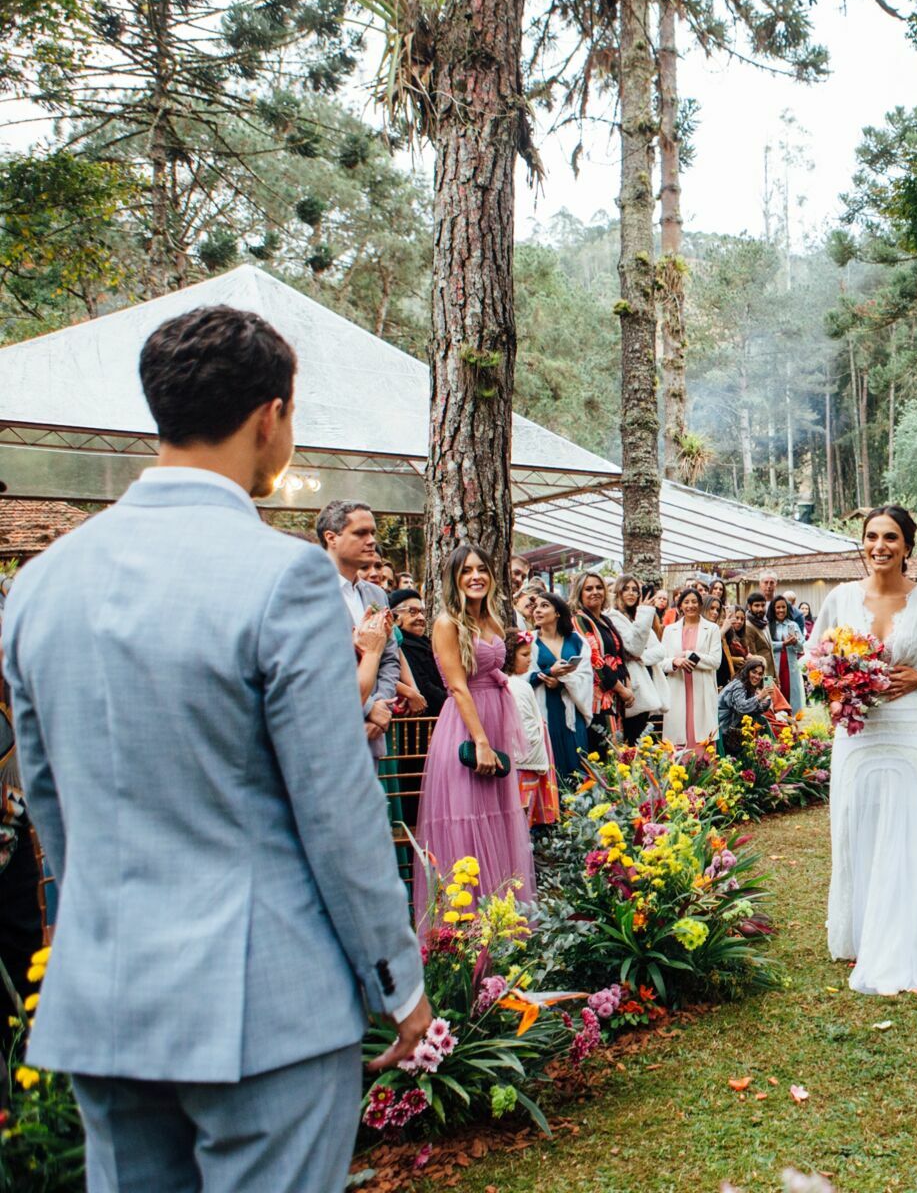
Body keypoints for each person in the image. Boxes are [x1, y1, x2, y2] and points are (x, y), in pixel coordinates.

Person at [1, 304, 429, 1191]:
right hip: (263, 1000)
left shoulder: (39, 586)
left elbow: (53, 804)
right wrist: (399, 981)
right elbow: (336, 802)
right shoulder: (285, 576)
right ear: (271, 416)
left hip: (109, 989)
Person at [815, 506, 917, 997]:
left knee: (908, 819)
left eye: (890, 538)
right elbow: (814, 662)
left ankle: (909, 928)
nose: (878, 546)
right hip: (856, 730)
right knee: (857, 817)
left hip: (907, 725)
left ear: (906, 546)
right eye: (870, 537)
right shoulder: (840, 599)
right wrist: (838, 683)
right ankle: (863, 925)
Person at [413, 547, 534, 922]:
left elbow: (500, 668)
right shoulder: (448, 623)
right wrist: (481, 741)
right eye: (466, 571)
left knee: (498, 819)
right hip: (468, 726)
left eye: (482, 569)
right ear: (454, 578)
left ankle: (503, 921)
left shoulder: (495, 620)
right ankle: (466, 929)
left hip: (495, 719)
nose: (476, 576)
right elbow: (458, 687)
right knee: (468, 820)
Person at [316, 499, 402, 759]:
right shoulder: (312, 590)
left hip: (372, 733)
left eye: (373, 533)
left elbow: (390, 658)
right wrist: (367, 708)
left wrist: (380, 706)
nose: (371, 540)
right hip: (327, 730)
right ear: (331, 537)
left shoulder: (376, 594)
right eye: (360, 533)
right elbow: (320, 666)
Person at [530, 591, 593, 787]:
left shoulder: (576, 640)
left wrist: (563, 681)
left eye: (544, 606)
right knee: (553, 763)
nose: (538, 610)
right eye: (536, 607)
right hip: (546, 712)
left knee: (578, 764)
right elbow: (521, 676)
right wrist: (549, 672)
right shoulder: (530, 641)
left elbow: (585, 675)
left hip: (573, 711)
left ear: (557, 613)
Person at [568, 572, 629, 751]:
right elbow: (595, 661)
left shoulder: (605, 619)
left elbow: (619, 654)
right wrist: (622, 689)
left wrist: (628, 685)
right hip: (598, 699)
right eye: (589, 589)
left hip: (616, 696)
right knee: (605, 750)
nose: (595, 592)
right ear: (579, 593)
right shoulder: (579, 620)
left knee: (618, 750)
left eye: (599, 587)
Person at [503, 631, 559, 827]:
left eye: (530, 655)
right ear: (509, 656)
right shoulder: (518, 687)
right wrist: (534, 757)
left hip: (519, 760)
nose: (529, 660)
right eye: (524, 655)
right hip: (525, 761)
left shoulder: (515, 684)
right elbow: (525, 727)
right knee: (522, 814)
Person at [608, 575, 668, 738]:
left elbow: (661, 651)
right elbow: (634, 647)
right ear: (618, 591)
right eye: (626, 589)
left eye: (635, 590)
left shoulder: (639, 616)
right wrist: (645, 613)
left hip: (646, 684)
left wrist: (641, 657)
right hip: (628, 687)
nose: (631, 593)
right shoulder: (613, 618)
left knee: (639, 745)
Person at [666, 585, 723, 747]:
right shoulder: (670, 630)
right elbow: (661, 662)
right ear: (680, 606)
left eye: (694, 602)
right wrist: (674, 662)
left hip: (702, 688)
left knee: (702, 737)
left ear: (700, 605)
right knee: (678, 738)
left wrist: (689, 655)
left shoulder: (712, 629)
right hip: (677, 687)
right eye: (686, 602)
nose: (690, 606)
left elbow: (715, 661)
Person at [717, 656, 777, 759]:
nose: (757, 676)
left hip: (733, 722)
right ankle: (770, 753)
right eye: (754, 672)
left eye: (760, 674)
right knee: (760, 721)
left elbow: (754, 710)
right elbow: (741, 708)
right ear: (747, 671)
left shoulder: (748, 685)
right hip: (723, 726)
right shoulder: (739, 685)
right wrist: (759, 696)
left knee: (761, 720)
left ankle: (770, 751)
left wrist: (766, 699)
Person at [767, 595, 808, 710]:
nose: (781, 610)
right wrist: (783, 644)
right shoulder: (767, 626)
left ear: (787, 608)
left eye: (783, 607)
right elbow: (766, 646)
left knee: (791, 693)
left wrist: (795, 642)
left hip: (790, 667)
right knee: (772, 693)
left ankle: (792, 719)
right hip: (772, 666)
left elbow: (801, 648)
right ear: (773, 609)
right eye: (778, 607)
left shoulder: (793, 625)